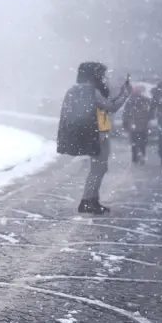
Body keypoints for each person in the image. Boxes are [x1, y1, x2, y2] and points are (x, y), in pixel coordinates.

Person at [57, 62, 131, 215]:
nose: (103, 78)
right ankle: (87, 201)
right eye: (101, 75)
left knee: (99, 168)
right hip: (98, 135)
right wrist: (125, 94)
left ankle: (92, 200)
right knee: (98, 169)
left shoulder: (77, 89)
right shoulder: (89, 90)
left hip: (95, 134)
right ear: (94, 75)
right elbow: (111, 107)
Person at [122, 86, 153, 164]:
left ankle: (135, 158)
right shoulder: (144, 100)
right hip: (142, 125)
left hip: (134, 125)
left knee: (134, 141)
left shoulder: (130, 101)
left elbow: (125, 114)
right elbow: (151, 110)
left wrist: (125, 124)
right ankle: (141, 155)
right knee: (142, 141)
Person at [150, 81, 162, 166]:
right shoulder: (157, 94)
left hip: (161, 119)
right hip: (161, 119)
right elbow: (153, 105)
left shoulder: (157, 93)